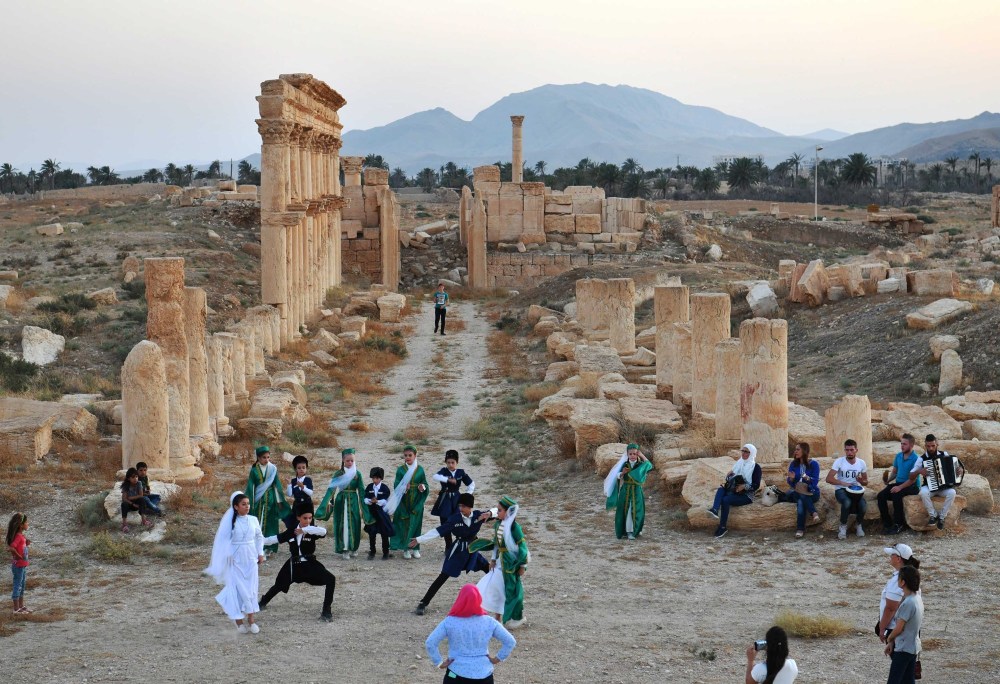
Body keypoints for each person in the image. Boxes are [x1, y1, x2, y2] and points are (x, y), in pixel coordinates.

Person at [412, 493, 492, 616]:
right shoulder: (454, 519)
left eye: (464, 506)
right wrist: (419, 539)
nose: (461, 509)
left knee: (489, 570)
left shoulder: (478, 516)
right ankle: (423, 602)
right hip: (458, 551)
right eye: (460, 506)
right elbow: (438, 531)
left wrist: (490, 514)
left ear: (470, 507)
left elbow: (497, 513)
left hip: (472, 549)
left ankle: (502, 595)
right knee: (443, 576)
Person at [259, 501, 337, 622]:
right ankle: (263, 602)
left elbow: (323, 532)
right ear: (298, 517)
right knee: (279, 585)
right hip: (294, 566)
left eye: (310, 518)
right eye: (305, 518)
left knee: (331, 579)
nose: (307, 520)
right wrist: (257, 540)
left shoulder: (312, 531)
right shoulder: (291, 531)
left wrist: (306, 530)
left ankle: (326, 611)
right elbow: (272, 540)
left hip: (310, 564)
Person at [425, 584, 516, 684]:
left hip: (455, 675)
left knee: (450, 676)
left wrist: (439, 662)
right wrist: (498, 658)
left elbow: (430, 642)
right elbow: (510, 641)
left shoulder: (449, 621)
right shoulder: (489, 622)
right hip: (485, 676)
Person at [204, 492, 265, 634]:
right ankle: (238, 621)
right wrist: (228, 555)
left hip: (250, 558)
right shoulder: (231, 522)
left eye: (248, 504)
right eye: (243, 504)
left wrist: (260, 553)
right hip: (236, 559)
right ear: (236, 507)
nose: (247, 506)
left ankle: (251, 620)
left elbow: (259, 537)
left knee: (251, 589)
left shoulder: (253, 520)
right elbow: (224, 542)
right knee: (237, 589)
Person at [475, 496, 529, 628]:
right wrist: (493, 559)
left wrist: (523, 565)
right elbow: (496, 544)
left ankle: (511, 617)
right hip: (500, 562)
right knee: (495, 585)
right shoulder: (498, 524)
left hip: (511, 564)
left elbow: (523, 548)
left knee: (510, 589)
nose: (497, 512)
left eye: (499, 510)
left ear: (507, 512)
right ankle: (497, 616)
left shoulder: (514, 528)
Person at [315, 448, 364, 560]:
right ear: (343, 460)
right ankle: (345, 549)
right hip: (341, 500)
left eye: (352, 460)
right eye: (347, 460)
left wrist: (364, 507)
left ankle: (354, 548)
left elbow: (361, 490)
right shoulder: (338, 473)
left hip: (353, 500)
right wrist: (326, 503)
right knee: (343, 524)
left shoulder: (357, 474)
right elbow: (331, 489)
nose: (350, 462)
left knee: (355, 523)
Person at [708, 444, 762, 539]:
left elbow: (756, 485)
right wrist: (729, 475)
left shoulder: (756, 467)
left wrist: (744, 486)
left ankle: (723, 527)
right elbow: (731, 480)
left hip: (746, 495)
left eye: (747, 452)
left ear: (752, 453)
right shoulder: (739, 463)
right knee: (721, 489)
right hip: (734, 491)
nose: (744, 453)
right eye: (743, 451)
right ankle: (715, 510)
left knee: (725, 500)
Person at [245, 446, 290, 553]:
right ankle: (256, 546)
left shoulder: (272, 469)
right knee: (257, 522)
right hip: (258, 500)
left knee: (271, 523)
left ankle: (270, 547)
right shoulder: (254, 470)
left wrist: (279, 501)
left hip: (271, 499)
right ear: (259, 458)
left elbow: (276, 486)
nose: (266, 460)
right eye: (264, 457)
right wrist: (249, 502)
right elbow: (250, 486)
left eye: (268, 457)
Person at [604, 443, 653, 540]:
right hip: (625, 490)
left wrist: (642, 456)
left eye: (635, 454)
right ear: (627, 454)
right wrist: (622, 473)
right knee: (625, 509)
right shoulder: (624, 464)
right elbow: (616, 476)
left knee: (635, 510)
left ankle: (633, 531)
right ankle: (625, 531)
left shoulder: (640, 464)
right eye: (630, 454)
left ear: (637, 454)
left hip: (637, 490)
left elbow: (649, 465)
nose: (632, 456)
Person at [915, 433, 964, 530]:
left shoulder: (944, 454)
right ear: (925, 446)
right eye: (928, 446)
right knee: (923, 493)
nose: (931, 448)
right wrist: (920, 471)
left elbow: (954, 466)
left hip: (943, 487)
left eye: (933, 446)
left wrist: (960, 470)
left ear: (937, 444)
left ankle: (942, 517)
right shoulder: (921, 459)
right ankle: (933, 515)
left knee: (952, 492)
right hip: (930, 486)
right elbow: (911, 473)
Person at [388, 445, 429, 559]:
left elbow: (425, 483)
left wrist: (422, 487)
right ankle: (406, 548)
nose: (407, 457)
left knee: (416, 524)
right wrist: (403, 487)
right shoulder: (401, 470)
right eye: (405, 455)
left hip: (417, 501)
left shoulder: (420, 469)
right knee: (405, 525)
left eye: (410, 455)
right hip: (404, 502)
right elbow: (396, 484)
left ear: (415, 455)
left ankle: (415, 548)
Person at [884, 565, 923, 684]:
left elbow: (899, 628)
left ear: (903, 582)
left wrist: (889, 638)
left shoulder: (908, 603)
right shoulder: (916, 598)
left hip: (903, 649)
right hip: (913, 647)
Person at [430, 449, 476, 549]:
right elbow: (435, 476)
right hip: (445, 500)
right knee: (445, 522)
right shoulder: (444, 471)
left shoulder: (460, 473)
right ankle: (448, 546)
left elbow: (471, 484)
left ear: (457, 462)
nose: (450, 465)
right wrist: (447, 479)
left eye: (453, 462)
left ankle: (463, 543)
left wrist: (467, 496)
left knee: (459, 520)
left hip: (457, 500)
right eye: (448, 462)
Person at [878, 434, 922, 535]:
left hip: (912, 485)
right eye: (901, 443)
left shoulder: (916, 459)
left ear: (911, 445)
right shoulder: (898, 456)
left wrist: (899, 487)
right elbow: (895, 472)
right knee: (881, 496)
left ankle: (899, 524)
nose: (902, 446)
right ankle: (887, 524)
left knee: (896, 494)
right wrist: (888, 481)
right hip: (899, 483)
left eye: (905, 444)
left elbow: (912, 480)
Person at [826, 439, 869, 540]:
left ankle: (858, 525)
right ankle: (843, 526)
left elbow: (866, 482)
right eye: (847, 450)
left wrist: (861, 481)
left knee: (863, 505)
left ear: (856, 450)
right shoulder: (839, 461)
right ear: (845, 450)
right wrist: (842, 483)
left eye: (851, 450)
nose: (849, 452)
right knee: (847, 502)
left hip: (856, 490)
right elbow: (829, 479)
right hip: (841, 489)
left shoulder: (861, 463)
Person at [878, 543, 920, 644]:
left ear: (898, 558)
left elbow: (891, 608)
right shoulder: (911, 574)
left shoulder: (898, 579)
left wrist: (882, 628)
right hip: (909, 628)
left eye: (892, 554)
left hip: (896, 629)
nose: (890, 557)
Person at [785, 442, 820, 538]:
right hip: (797, 491)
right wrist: (791, 479)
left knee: (801, 499)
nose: (795, 451)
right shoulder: (793, 464)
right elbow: (790, 482)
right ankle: (813, 512)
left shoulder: (814, 464)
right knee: (800, 497)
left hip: (811, 492)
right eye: (795, 449)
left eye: (798, 449)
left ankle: (800, 529)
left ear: (804, 451)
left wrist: (806, 478)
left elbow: (815, 482)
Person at [363, 467, 395, 560]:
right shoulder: (369, 487)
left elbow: (385, 501)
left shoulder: (384, 488)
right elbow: (365, 498)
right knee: (371, 533)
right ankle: (372, 551)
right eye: (373, 478)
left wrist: (377, 501)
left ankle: (386, 552)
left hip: (382, 514)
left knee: (384, 534)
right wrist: (370, 501)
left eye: (377, 478)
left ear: (381, 478)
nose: (375, 480)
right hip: (372, 514)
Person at [120, 467, 158, 533]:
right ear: (129, 478)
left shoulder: (139, 483)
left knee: (142, 499)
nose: (135, 479)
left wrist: (130, 498)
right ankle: (124, 525)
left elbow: (141, 495)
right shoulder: (126, 485)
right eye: (133, 477)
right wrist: (132, 503)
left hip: (137, 502)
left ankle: (144, 520)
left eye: (136, 476)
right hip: (130, 504)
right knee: (124, 504)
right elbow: (124, 499)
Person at [7, 513, 31, 614]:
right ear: (21, 525)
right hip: (18, 566)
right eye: (26, 522)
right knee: (18, 585)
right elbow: (11, 547)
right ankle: (16, 609)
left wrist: (27, 542)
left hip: (22, 565)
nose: (28, 524)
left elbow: (20, 546)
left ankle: (21, 606)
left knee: (22, 585)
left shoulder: (21, 536)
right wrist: (18, 556)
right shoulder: (18, 537)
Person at [283, 454, 313, 530]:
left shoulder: (308, 480)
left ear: (306, 468)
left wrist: (303, 487)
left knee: (308, 523)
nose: (301, 470)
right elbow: (290, 494)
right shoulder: (293, 481)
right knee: (296, 523)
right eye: (299, 468)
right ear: (295, 469)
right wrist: (289, 484)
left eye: (303, 468)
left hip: (307, 504)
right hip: (297, 505)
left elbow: (310, 493)